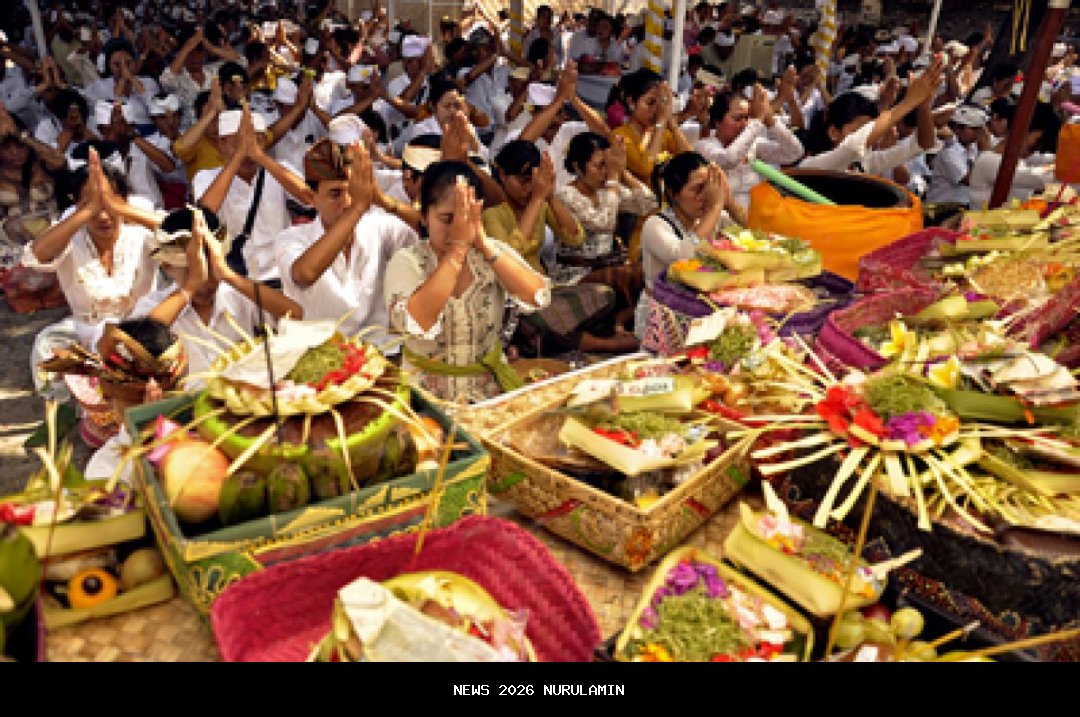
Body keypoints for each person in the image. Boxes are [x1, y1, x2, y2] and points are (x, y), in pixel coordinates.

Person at [385, 160, 550, 403]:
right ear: (424, 216)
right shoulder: (408, 261)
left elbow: (537, 295)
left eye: (465, 219)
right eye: (447, 218)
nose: (456, 229)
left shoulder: (490, 253)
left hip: (489, 391)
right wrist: (457, 251)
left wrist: (482, 242)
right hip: (425, 398)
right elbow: (414, 320)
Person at [24, 149, 162, 395]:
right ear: (76, 206)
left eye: (109, 202)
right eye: (88, 203)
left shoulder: (142, 236)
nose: (103, 215)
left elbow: (189, 238)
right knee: (46, 346)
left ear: (124, 200)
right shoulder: (68, 239)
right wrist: (87, 210)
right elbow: (37, 255)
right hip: (85, 337)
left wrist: (122, 209)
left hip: (141, 337)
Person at [117, 206, 301, 379]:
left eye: (211, 270)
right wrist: (189, 287)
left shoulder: (236, 294)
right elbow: (131, 348)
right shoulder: (154, 306)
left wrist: (228, 275)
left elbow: (295, 315)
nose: (204, 281)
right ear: (167, 267)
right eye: (191, 271)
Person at [276, 139, 417, 352]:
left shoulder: (376, 225)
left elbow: (429, 231)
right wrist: (358, 208)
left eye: (352, 192)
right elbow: (304, 274)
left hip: (379, 353)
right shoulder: (291, 239)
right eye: (335, 194)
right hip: (316, 358)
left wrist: (383, 200)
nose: (347, 201)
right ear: (311, 198)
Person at [194, 103, 313, 283]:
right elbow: (205, 212)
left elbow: (309, 199)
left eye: (258, 141)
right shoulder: (206, 177)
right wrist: (238, 156)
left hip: (281, 272)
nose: (248, 151)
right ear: (220, 144)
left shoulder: (280, 170)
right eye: (236, 143)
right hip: (236, 276)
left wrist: (260, 156)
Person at [556, 131, 655, 338]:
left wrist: (621, 170)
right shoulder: (565, 194)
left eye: (607, 166)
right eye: (599, 166)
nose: (605, 172)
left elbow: (648, 203)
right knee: (630, 277)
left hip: (607, 273)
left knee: (650, 272)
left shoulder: (605, 190)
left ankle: (620, 324)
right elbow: (604, 223)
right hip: (576, 276)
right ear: (577, 167)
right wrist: (614, 179)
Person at [634, 151, 732, 339]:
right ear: (673, 192)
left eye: (709, 188)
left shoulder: (708, 218)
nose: (705, 196)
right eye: (698, 189)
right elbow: (685, 258)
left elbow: (752, 232)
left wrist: (729, 202)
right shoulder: (655, 224)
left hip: (698, 312)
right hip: (661, 317)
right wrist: (715, 207)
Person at [799, 56, 944, 175]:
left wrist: (923, 107)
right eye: (859, 130)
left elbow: (923, 144)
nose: (873, 137)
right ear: (833, 132)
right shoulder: (812, 164)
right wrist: (909, 102)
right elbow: (853, 147)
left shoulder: (864, 163)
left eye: (870, 128)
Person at [695, 84, 803, 216]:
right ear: (717, 121)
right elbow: (729, 159)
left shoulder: (753, 146)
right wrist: (757, 121)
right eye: (738, 118)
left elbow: (794, 152)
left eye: (747, 118)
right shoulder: (704, 147)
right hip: (720, 221)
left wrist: (771, 121)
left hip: (753, 219)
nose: (745, 124)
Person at [968, 102, 1056, 210]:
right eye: (1038, 141)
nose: (1038, 148)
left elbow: (1048, 160)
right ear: (1022, 131)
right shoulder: (989, 160)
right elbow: (1041, 179)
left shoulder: (1019, 159)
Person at [612, 68, 693, 184]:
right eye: (650, 103)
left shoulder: (662, 134)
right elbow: (646, 169)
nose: (656, 110)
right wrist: (660, 123)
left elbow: (691, 161)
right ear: (631, 102)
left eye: (660, 103)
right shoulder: (620, 136)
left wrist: (670, 120)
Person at [83, 38, 161, 134]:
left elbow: (155, 108)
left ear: (135, 63)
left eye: (128, 63)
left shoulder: (148, 82)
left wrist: (132, 79)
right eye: (117, 64)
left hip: (151, 135)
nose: (123, 68)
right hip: (117, 135)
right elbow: (112, 113)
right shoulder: (100, 86)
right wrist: (122, 80)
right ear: (108, 66)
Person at [926, 104, 990, 207]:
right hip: (941, 209)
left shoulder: (972, 147)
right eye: (973, 129)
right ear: (957, 129)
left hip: (961, 207)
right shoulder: (949, 153)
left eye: (979, 129)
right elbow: (971, 180)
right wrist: (984, 153)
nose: (978, 134)